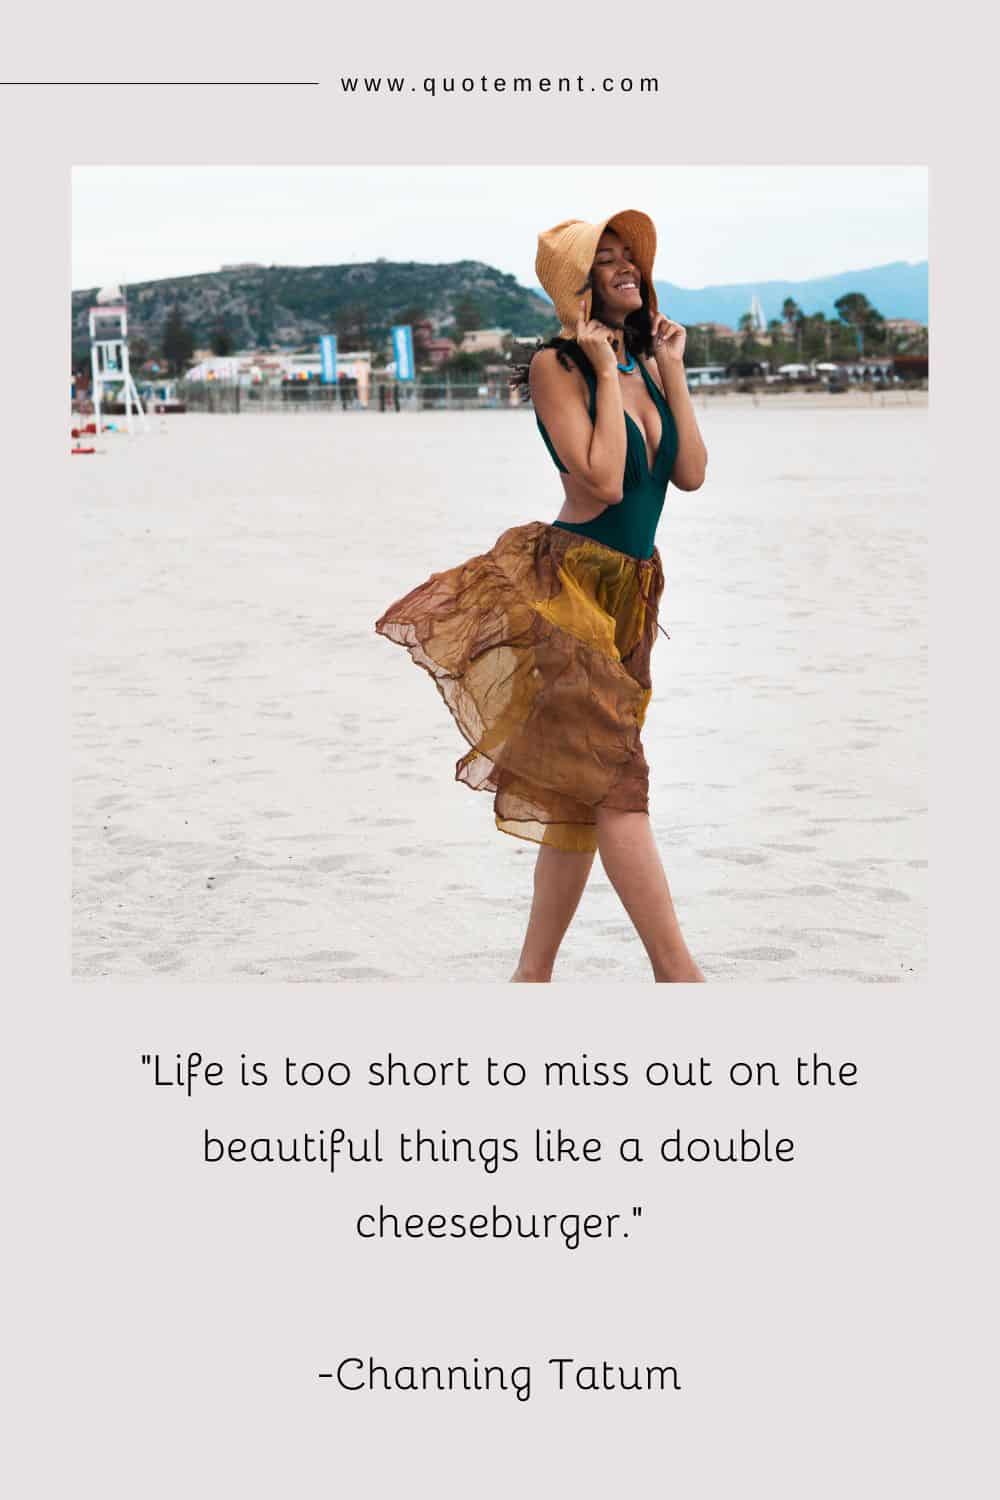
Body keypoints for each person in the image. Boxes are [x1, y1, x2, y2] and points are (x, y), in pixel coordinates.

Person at [375, 210, 709, 982]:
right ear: (578, 284)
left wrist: (672, 372)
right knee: (619, 782)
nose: (627, 267)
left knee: (583, 788)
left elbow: (687, 473)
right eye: (608, 260)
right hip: (568, 588)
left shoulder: (644, 362)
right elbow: (600, 480)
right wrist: (597, 371)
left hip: (632, 591)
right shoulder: (557, 366)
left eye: (632, 257)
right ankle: (679, 977)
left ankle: (531, 979)